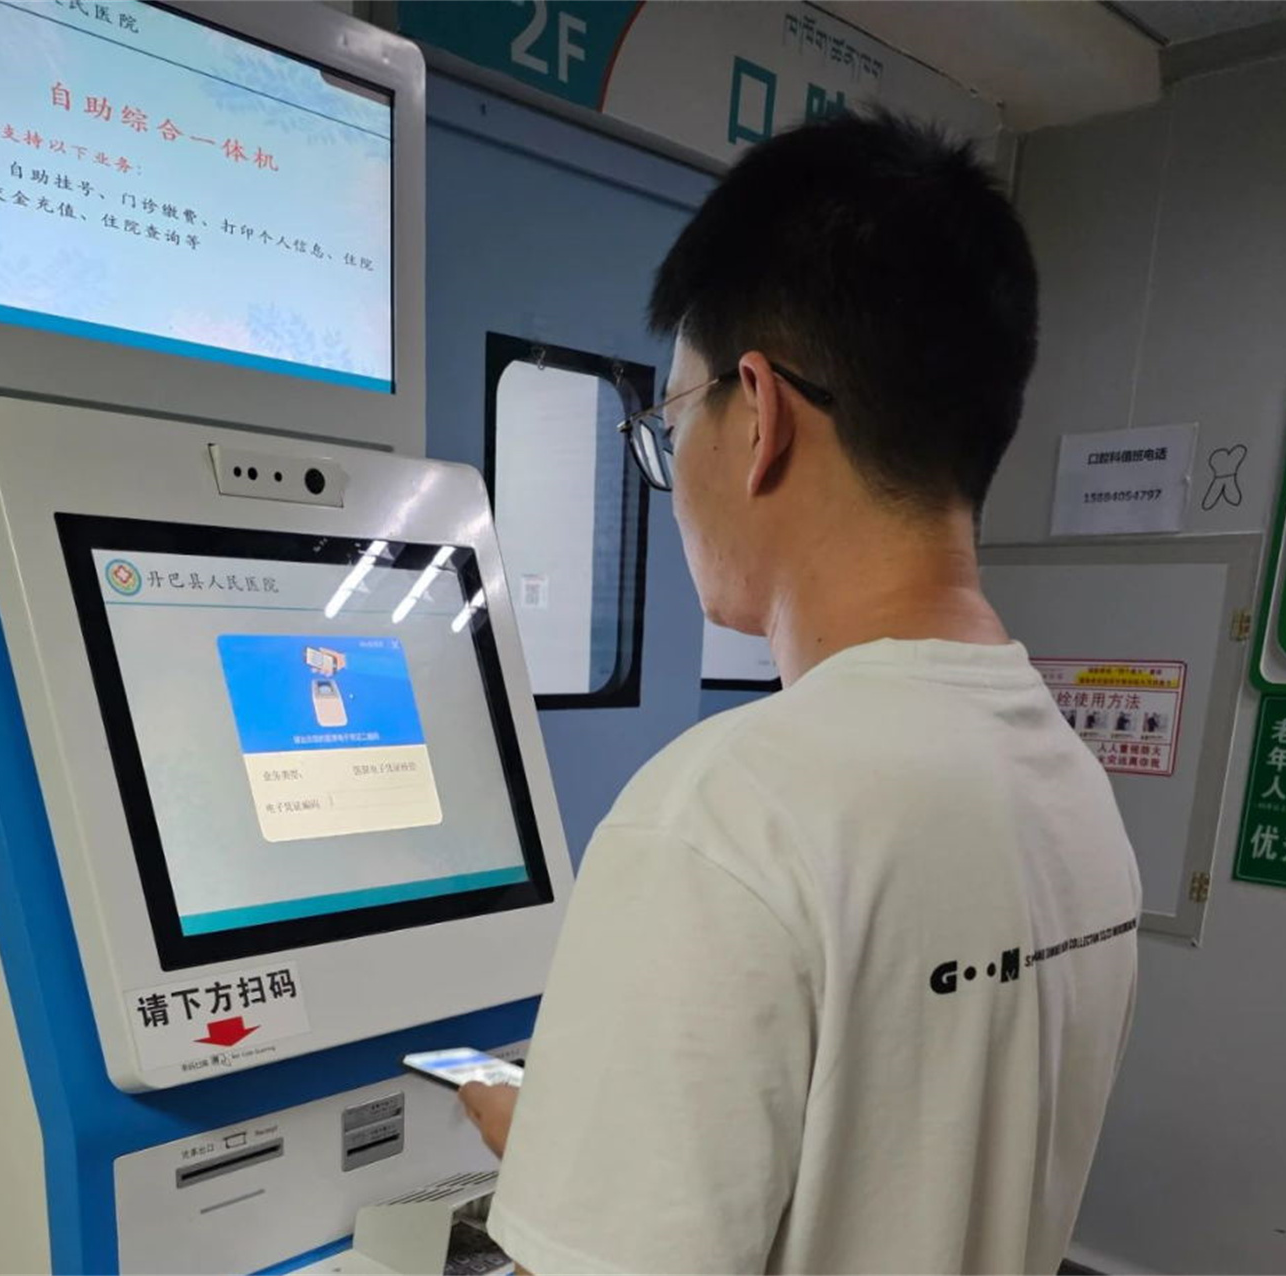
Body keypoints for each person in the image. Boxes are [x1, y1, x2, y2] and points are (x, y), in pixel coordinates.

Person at [460, 110, 1141, 1275]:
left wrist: (564, 1192)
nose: (673, 470)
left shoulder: (723, 818)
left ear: (760, 413)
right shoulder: (1069, 785)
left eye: (670, 423)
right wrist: (591, 1165)